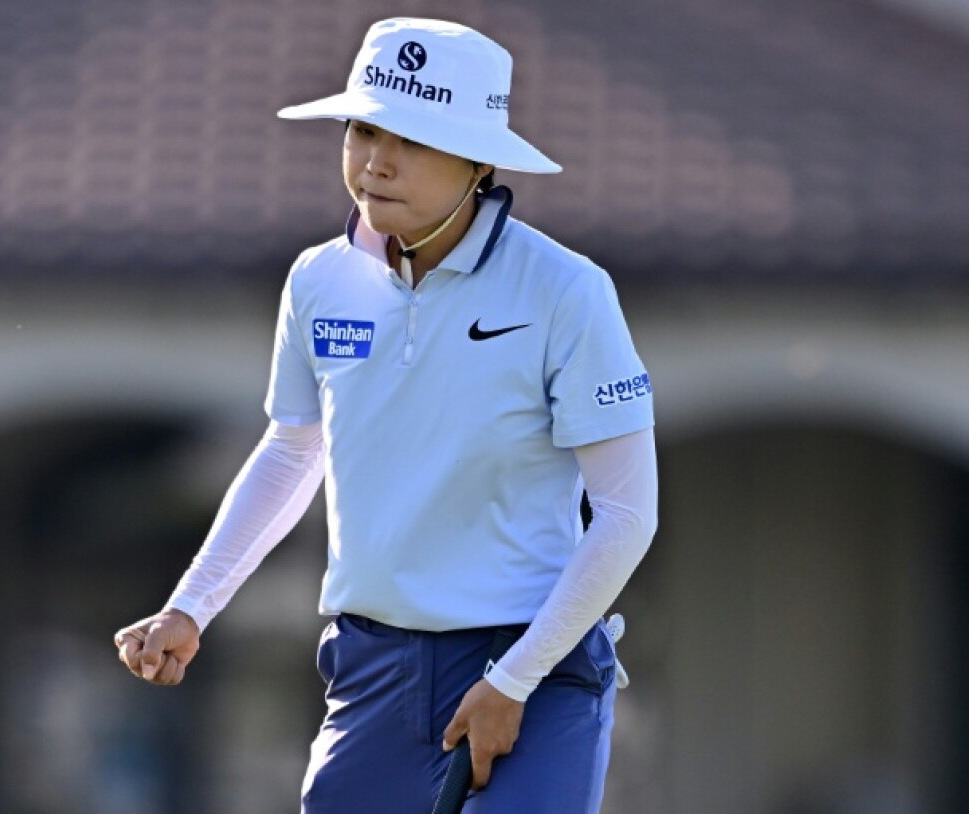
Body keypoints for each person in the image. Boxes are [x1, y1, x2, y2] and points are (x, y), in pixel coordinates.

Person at [114, 17, 658, 814]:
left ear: (479, 162)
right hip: (373, 671)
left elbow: (627, 512)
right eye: (364, 128)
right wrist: (191, 606)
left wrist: (512, 681)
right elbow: (294, 451)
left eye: (415, 137)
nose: (378, 160)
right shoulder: (316, 281)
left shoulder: (567, 292)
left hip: (534, 670)